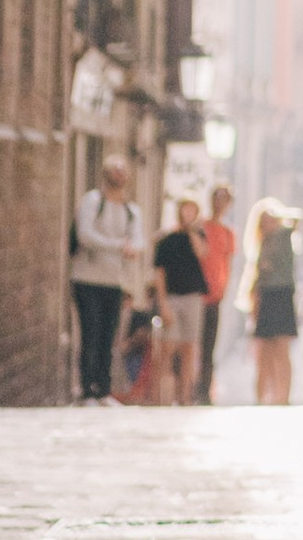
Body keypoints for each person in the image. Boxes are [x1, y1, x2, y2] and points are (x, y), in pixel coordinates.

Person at [69, 156, 142, 403]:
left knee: (108, 336)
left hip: (114, 281)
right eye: (114, 170)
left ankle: (103, 389)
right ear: (105, 173)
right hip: (87, 279)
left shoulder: (132, 211)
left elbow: (138, 241)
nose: (118, 174)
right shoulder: (92, 201)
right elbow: (85, 235)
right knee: (89, 332)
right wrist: (119, 246)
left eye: (122, 170)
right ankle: (87, 389)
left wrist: (127, 248)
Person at [152, 200, 211, 407]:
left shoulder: (198, 236)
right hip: (172, 297)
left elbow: (201, 253)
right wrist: (163, 304)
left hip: (192, 297)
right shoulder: (166, 240)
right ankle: (161, 398)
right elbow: (159, 273)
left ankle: (185, 397)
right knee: (167, 347)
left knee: (189, 348)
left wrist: (192, 230)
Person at [243, 199, 301, 403]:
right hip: (266, 297)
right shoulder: (261, 245)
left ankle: (283, 397)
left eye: (270, 220)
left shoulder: (284, 236)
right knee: (265, 351)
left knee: (281, 349)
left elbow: (297, 219)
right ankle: (262, 398)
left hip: (282, 295)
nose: (267, 224)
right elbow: (258, 279)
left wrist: (279, 215)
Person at [195, 184, 236, 403]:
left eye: (224, 199)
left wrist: (223, 289)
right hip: (195, 293)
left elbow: (226, 263)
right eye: (216, 198)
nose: (219, 203)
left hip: (215, 296)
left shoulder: (228, 232)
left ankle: (204, 391)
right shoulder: (200, 227)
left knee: (209, 346)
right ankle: (190, 389)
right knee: (193, 345)